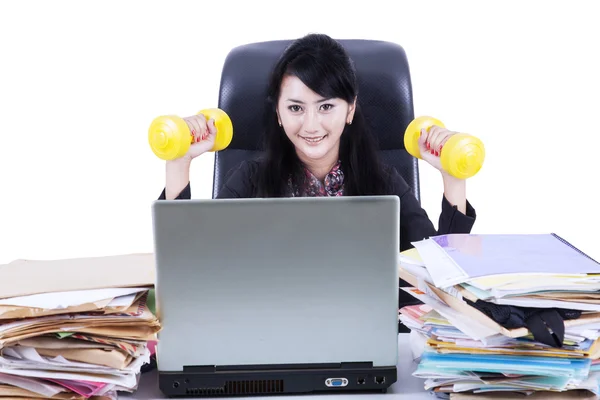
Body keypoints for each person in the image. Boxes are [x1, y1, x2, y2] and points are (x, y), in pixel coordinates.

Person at [158, 33, 476, 251]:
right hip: (268, 337)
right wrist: (179, 162)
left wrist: (453, 176)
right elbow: (189, 266)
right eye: (296, 108)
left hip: (364, 335)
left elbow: (441, 276)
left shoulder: (383, 180)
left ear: (350, 109)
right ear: (279, 113)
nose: (311, 125)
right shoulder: (249, 178)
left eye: (326, 106)